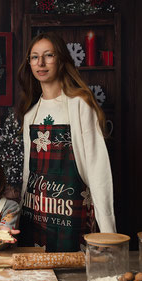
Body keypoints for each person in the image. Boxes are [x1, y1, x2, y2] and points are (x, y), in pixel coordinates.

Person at [17, 32, 116, 252]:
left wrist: (109, 235)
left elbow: (98, 171)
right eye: (34, 57)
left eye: (48, 55)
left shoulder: (80, 105)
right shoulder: (30, 115)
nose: (40, 63)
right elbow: (28, 176)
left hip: (73, 218)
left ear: (61, 60)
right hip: (36, 218)